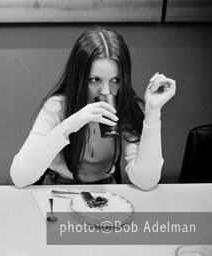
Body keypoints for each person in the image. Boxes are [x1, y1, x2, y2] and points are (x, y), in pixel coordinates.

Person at [10, 28, 176, 190]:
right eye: (95, 79)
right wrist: (69, 125)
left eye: (115, 80)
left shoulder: (125, 106)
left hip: (105, 188)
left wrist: (153, 111)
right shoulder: (57, 106)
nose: (106, 91)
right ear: (79, 77)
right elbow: (19, 176)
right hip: (58, 186)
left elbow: (146, 182)